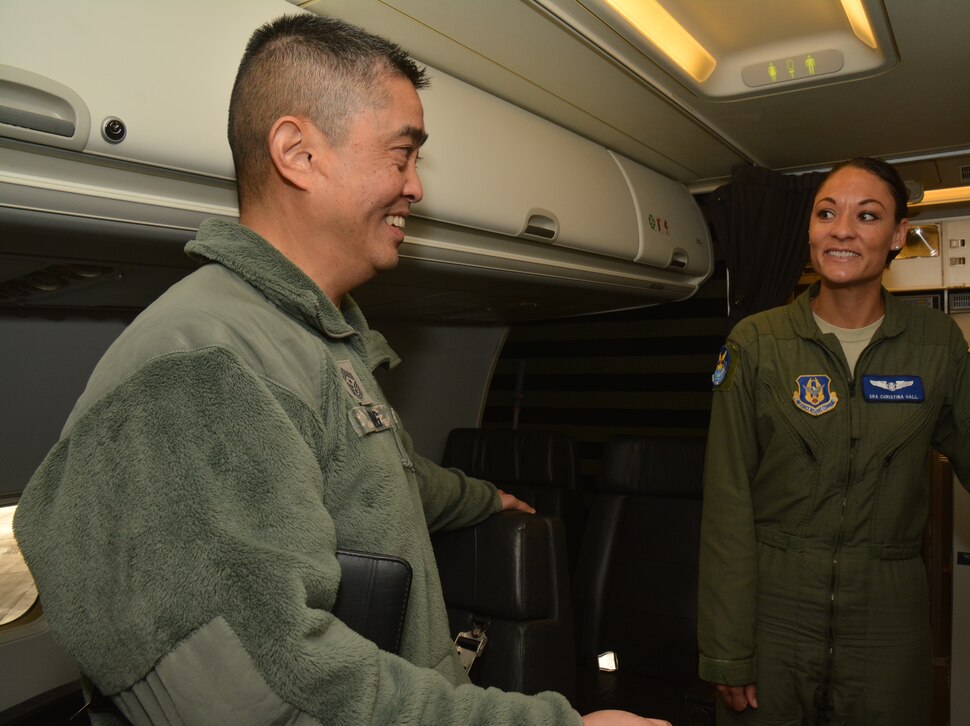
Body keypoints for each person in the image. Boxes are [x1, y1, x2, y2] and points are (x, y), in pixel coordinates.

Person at [13, 14, 668, 726]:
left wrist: (489, 499)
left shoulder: (318, 342)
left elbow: (387, 482)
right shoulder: (203, 364)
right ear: (298, 152)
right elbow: (265, 701)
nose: (415, 187)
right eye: (401, 154)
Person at [697, 156, 970, 725]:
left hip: (888, 620)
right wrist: (727, 649)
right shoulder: (758, 343)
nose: (842, 229)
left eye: (868, 215)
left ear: (897, 236)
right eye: (826, 212)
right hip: (774, 614)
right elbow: (727, 501)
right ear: (809, 230)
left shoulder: (935, 345)